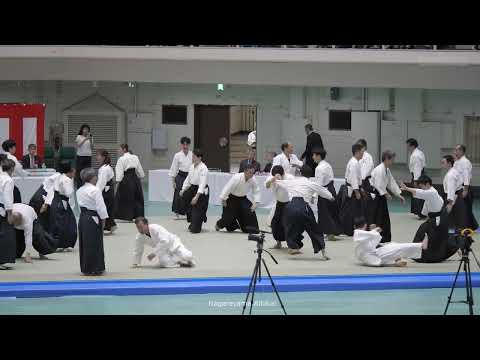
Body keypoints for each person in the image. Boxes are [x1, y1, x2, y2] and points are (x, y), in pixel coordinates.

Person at [272, 165, 333, 258]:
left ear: (300, 173)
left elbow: (280, 182)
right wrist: (331, 197)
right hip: (303, 207)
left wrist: (275, 179)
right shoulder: (311, 183)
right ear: (310, 175)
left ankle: (293, 246)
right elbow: (323, 191)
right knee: (314, 229)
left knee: (289, 226)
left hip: (290, 207)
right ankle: (323, 252)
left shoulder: (292, 182)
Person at [401, 176, 458, 263]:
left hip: (438, 220)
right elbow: (426, 209)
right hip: (435, 219)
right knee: (424, 232)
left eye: (422, 186)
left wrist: (407, 188)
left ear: (427, 184)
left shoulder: (432, 193)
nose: (422, 188)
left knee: (429, 235)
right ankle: (417, 253)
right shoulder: (430, 193)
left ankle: (424, 255)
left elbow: (420, 193)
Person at [353, 216, 425, 267]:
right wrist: (375, 231)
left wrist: (374, 230)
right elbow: (373, 237)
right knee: (397, 247)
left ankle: (396, 260)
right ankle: (421, 245)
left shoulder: (359, 233)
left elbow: (369, 239)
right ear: (365, 225)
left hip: (370, 255)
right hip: (372, 256)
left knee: (394, 245)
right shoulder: (358, 233)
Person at [76, 168, 108, 276]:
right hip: (93, 217)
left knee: (85, 243)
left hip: (83, 217)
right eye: (95, 176)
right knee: (95, 243)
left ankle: (86, 268)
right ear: (91, 178)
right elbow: (101, 207)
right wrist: (103, 221)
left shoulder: (79, 190)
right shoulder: (95, 190)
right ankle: (96, 267)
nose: (96, 178)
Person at [369, 150, 405, 243]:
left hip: (381, 195)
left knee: (384, 218)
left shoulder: (386, 169)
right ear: (386, 159)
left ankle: (384, 238)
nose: (393, 162)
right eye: (392, 160)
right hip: (376, 196)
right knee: (378, 218)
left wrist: (398, 194)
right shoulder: (380, 169)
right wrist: (386, 194)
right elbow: (378, 185)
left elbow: (391, 183)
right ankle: (376, 239)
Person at [215, 164, 260, 234]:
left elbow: (256, 190)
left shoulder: (253, 179)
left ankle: (250, 228)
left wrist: (256, 202)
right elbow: (228, 188)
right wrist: (223, 199)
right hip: (231, 199)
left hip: (243, 199)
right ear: (245, 171)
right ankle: (219, 224)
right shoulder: (237, 177)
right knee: (228, 218)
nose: (252, 174)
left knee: (250, 212)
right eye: (250, 172)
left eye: (253, 173)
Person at [46, 161, 77, 251]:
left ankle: (55, 243)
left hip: (56, 200)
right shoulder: (67, 179)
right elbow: (69, 193)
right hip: (62, 201)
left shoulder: (58, 176)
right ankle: (62, 243)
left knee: (56, 222)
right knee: (66, 223)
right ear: (69, 170)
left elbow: (48, 182)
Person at [312, 147, 340, 241]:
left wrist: (314, 196)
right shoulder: (327, 165)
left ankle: (330, 233)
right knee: (331, 211)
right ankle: (330, 232)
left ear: (319, 156)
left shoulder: (319, 168)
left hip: (324, 191)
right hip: (331, 189)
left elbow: (318, 184)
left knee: (325, 212)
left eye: (314, 155)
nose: (313, 157)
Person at [337, 143, 365, 236]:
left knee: (352, 210)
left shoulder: (355, 161)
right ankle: (347, 230)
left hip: (353, 188)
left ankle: (350, 229)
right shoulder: (354, 163)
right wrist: (357, 191)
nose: (363, 153)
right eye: (362, 152)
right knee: (351, 211)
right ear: (357, 152)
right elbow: (353, 178)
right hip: (352, 189)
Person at [179, 149, 209, 233]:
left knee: (195, 230)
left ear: (199, 158)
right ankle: (193, 219)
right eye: (192, 156)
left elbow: (202, 184)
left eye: (194, 156)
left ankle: (201, 216)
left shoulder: (204, 168)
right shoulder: (192, 166)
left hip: (201, 192)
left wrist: (196, 196)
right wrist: (183, 189)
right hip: (192, 188)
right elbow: (188, 179)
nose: (192, 158)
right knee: (183, 197)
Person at [265, 165, 294, 249]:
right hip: (279, 204)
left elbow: (291, 188)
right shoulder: (272, 177)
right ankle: (278, 243)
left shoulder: (289, 177)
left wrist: (281, 180)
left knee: (288, 224)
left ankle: (291, 245)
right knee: (275, 224)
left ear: (283, 173)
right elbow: (266, 186)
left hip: (289, 204)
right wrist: (272, 180)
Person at [114, 144, 145, 221]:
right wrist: (140, 176)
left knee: (126, 198)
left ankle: (127, 216)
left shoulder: (121, 159)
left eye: (120, 149)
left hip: (126, 179)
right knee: (137, 197)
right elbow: (140, 171)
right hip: (135, 178)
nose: (119, 150)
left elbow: (119, 173)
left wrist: (118, 181)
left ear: (124, 149)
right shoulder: (135, 157)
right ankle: (138, 215)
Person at [453, 144, 478, 230]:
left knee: (464, 209)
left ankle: (466, 226)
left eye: (456, 150)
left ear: (461, 151)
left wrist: (466, 190)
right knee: (463, 208)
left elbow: (466, 176)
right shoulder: (457, 162)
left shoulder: (465, 162)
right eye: (455, 150)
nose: (454, 152)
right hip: (457, 187)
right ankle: (471, 225)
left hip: (464, 187)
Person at [441, 155, 467, 231]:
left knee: (451, 217)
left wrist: (450, 203)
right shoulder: (454, 171)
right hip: (457, 195)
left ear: (449, 163)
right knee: (457, 218)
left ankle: (456, 236)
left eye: (443, 163)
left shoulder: (451, 175)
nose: (442, 164)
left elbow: (451, 189)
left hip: (453, 197)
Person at [168, 137, 192, 218]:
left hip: (189, 177)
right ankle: (177, 213)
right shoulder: (177, 155)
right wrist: (173, 181)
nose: (185, 146)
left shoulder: (192, 155)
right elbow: (174, 169)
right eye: (183, 144)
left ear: (189, 145)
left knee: (188, 194)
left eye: (187, 144)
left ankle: (186, 213)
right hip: (180, 176)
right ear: (181, 145)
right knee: (178, 194)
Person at [0, 159, 16, 270]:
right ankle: (3, 260)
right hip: (3, 210)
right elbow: (7, 197)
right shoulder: (8, 180)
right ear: (11, 169)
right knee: (5, 235)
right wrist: (10, 213)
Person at [96, 149, 117, 233]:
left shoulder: (104, 169)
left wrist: (96, 192)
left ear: (103, 157)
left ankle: (108, 225)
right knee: (108, 208)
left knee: (104, 208)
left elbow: (101, 183)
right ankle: (111, 225)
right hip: (108, 190)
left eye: (98, 155)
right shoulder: (106, 167)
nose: (97, 157)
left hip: (106, 191)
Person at [406, 138, 427, 219]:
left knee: (418, 194)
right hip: (419, 175)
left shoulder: (416, 155)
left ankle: (421, 213)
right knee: (419, 194)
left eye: (408, 146)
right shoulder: (419, 152)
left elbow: (417, 168)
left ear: (412, 146)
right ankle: (421, 213)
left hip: (418, 176)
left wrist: (416, 180)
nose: (407, 148)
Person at [357, 139, 375, 220]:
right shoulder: (357, 156)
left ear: (365, 147)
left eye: (361, 146)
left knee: (366, 201)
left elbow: (366, 171)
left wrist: (361, 181)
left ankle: (368, 220)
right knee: (360, 202)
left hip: (365, 181)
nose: (359, 148)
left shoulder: (368, 157)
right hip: (359, 181)